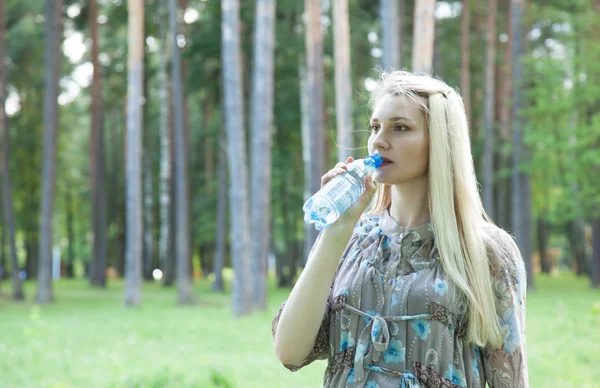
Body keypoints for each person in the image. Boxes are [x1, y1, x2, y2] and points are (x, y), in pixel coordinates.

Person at [271, 71, 529, 388]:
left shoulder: (486, 250)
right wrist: (337, 230)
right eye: (376, 127)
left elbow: (511, 380)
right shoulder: (350, 238)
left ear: (440, 142)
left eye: (400, 127)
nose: (378, 140)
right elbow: (290, 352)